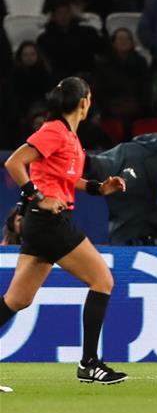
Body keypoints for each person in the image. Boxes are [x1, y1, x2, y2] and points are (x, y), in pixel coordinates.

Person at [0, 77, 128, 385]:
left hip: (42, 223)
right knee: (102, 280)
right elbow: (14, 163)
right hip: (48, 221)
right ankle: (89, 364)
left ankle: (89, 364)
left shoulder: (68, 136)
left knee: (17, 299)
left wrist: (99, 188)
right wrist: (39, 197)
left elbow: (67, 179)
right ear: (84, 102)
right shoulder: (55, 131)